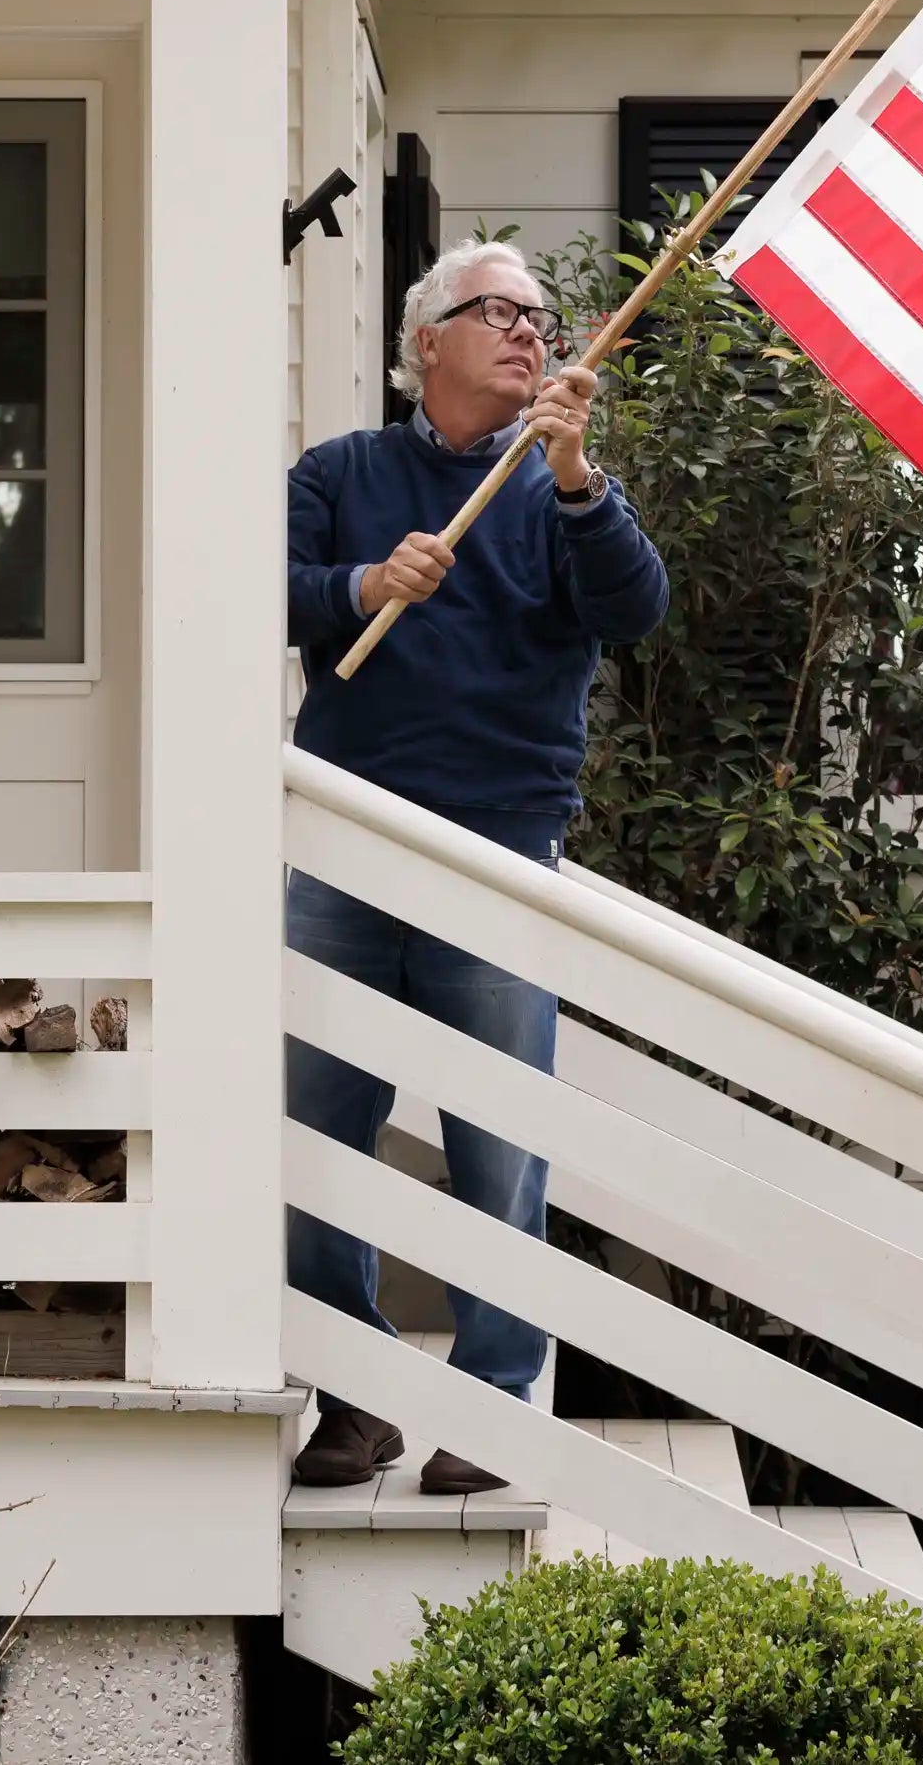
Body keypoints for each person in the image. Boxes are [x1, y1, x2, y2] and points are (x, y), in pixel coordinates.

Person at [283, 239, 670, 1493]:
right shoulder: (343, 473)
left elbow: (633, 609)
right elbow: (261, 590)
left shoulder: (558, 490)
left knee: (497, 1150)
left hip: (501, 857)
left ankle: (492, 1411)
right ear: (424, 342)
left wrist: (573, 476)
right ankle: (352, 1403)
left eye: (540, 318)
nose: (528, 332)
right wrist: (359, 581)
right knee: (313, 1138)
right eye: (497, 312)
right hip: (343, 849)